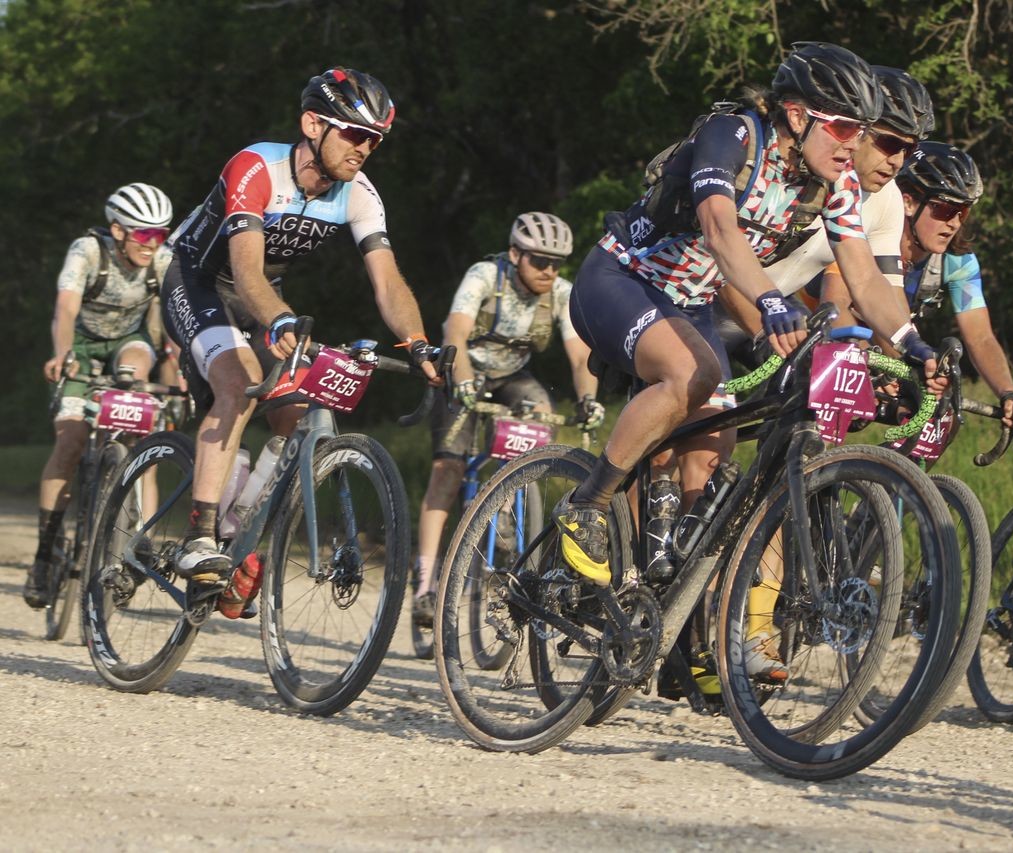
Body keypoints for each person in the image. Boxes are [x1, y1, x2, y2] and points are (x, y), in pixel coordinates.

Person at [563, 45, 944, 614]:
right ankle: (587, 505)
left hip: (689, 304)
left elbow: (863, 276)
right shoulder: (733, 135)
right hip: (623, 278)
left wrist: (915, 345)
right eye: (842, 127)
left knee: (712, 449)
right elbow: (719, 228)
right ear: (797, 115)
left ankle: (673, 608)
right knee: (695, 373)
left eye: (860, 131)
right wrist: (770, 301)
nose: (851, 145)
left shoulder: (834, 184)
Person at [161, 67, 440, 602]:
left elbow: (387, 282)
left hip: (262, 295)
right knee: (238, 382)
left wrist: (418, 342)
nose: (364, 148)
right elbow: (245, 270)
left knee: (293, 410)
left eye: (374, 139)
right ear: (313, 124)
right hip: (199, 280)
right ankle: (198, 537)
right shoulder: (257, 166)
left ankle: (238, 530)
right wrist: (280, 318)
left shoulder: (359, 194)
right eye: (354, 133)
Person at [411, 212, 602, 624]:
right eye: (539, 261)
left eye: (556, 262)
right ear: (515, 254)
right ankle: (425, 583)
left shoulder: (562, 294)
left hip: (512, 376)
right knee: (448, 468)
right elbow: (455, 336)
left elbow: (580, 355)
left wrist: (588, 400)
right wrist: (460, 381)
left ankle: (508, 522)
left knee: (542, 413)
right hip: (463, 370)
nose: (549, 271)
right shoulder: (484, 276)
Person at [714, 64, 934, 365]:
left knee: (831, 394)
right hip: (708, 302)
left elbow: (876, 288)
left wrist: (910, 354)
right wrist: (764, 335)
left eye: (908, 151)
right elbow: (718, 259)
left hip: (774, 315)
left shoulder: (885, 199)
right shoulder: (794, 175)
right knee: (703, 399)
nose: (897, 163)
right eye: (889, 143)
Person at [25, 184, 175, 608]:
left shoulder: (162, 261)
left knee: (137, 383)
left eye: (160, 234)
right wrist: (62, 354)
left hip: (128, 344)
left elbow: (173, 328)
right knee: (70, 441)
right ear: (118, 230)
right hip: (81, 348)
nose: (153, 244)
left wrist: (179, 377)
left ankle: (140, 536)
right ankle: (44, 552)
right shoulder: (87, 252)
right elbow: (66, 309)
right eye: (143, 234)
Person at [830, 141, 1013, 437]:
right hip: (824, 333)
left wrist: (1007, 394)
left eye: (962, 212)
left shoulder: (958, 262)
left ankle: (895, 481)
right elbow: (837, 305)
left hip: (886, 352)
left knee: (937, 419)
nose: (953, 224)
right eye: (945, 209)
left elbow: (980, 336)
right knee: (827, 436)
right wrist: (868, 362)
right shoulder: (865, 236)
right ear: (909, 202)